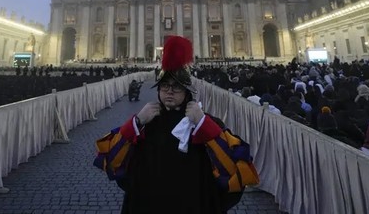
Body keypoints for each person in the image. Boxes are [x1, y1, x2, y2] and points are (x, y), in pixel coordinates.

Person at [94, 36, 259, 213]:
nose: (170, 91)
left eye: (176, 87)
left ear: (187, 92)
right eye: (165, 87)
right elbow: (111, 160)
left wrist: (204, 124)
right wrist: (136, 122)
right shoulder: (145, 122)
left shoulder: (205, 123)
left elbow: (235, 166)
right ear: (158, 91)